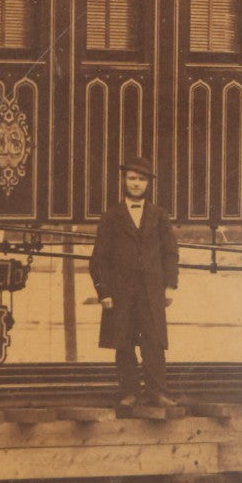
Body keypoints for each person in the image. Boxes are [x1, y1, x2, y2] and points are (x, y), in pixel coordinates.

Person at [89, 157, 179, 408]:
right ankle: (129, 392)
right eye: (132, 178)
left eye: (141, 179)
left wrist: (170, 285)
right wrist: (103, 291)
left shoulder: (159, 215)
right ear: (123, 181)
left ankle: (157, 392)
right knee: (124, 341)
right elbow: (99, 258)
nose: (136, 183)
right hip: (121, 291)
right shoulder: (110, 216)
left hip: (151, 291)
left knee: (154, 341)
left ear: (148, 184)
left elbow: (170, 252)